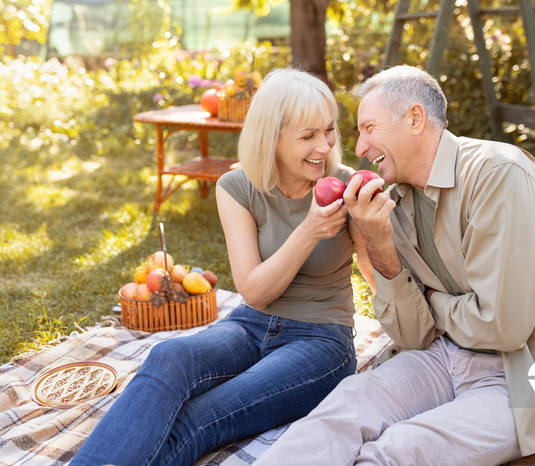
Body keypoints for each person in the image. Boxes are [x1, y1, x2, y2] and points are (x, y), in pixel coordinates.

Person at [254, 65, 535, 465]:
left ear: (415, 118)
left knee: (401, 450)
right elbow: (414, 335)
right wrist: (379, 243)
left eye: (369, 128)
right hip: (440, 356)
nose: (359, 148)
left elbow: (504, 326)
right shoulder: (392, 203)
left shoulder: (499, 174)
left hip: (525, 374)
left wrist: (431, 303)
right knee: (336, 415)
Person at [72, 68, 375, 466]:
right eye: (307, 136)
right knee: (168, 358)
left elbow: (379, 274)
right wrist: (309, 230)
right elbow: (254, 291)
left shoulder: (349, 187)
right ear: (272, 138)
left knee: (203, 416)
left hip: (320, 341)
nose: (325, 145)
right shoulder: (237, 188)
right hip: (250, 323)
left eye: (329, 130)